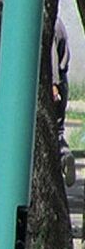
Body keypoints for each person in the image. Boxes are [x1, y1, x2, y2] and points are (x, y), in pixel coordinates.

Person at [52, 17, 75, 187]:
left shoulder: (48, 25)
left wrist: (53, 85)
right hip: (63, 81)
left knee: (50, 130)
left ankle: (61, 156)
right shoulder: (60, 23)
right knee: (58, 129)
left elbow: (52, 58)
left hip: (54, 84)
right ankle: (64, 154)